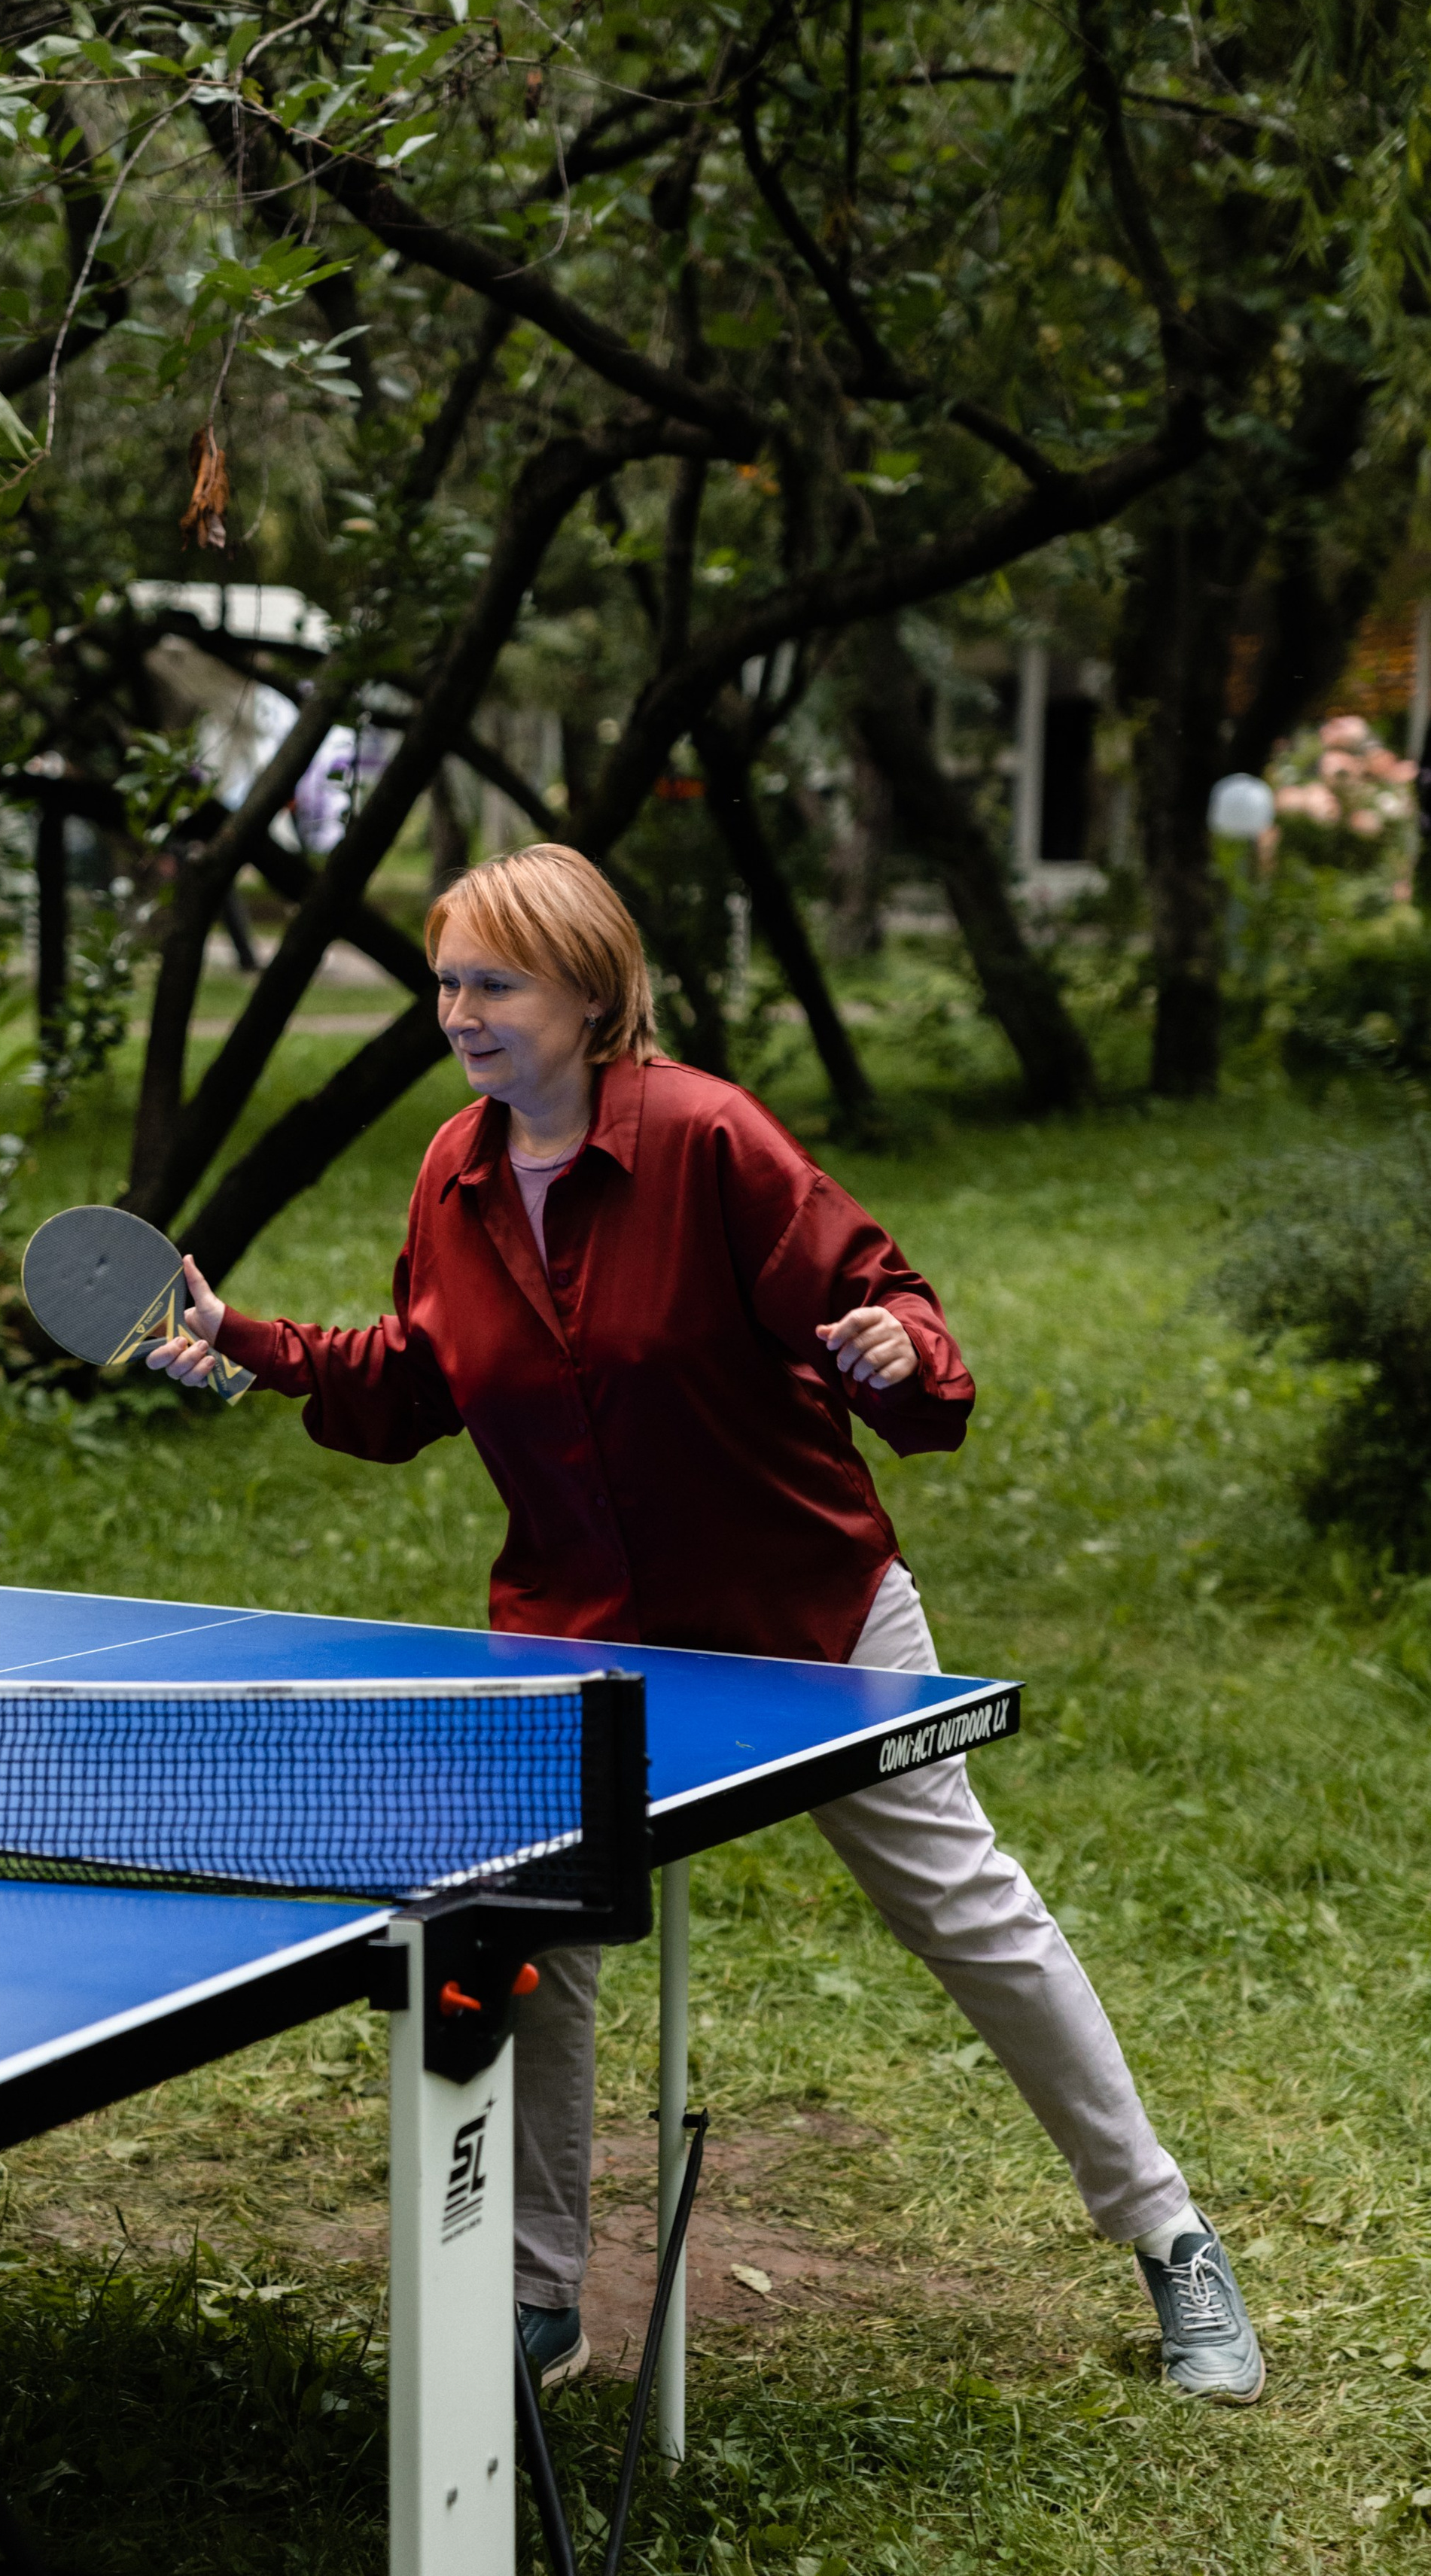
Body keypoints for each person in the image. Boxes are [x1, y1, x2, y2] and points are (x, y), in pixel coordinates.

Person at [148, 843, 1263, 2407]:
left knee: (965, 1910)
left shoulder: (709, 1138)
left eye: (491, 983)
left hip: (800, 1611)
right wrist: (247, 1343)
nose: (458, 1013)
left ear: (588, 992)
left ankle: (1167, 2234)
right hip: (583, 1638)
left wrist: (897, 1347)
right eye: (446, 982)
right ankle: (538, 2297)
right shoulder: (454, 1173)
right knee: (535, 1938)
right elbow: (414, 1380)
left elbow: (894, 1306)